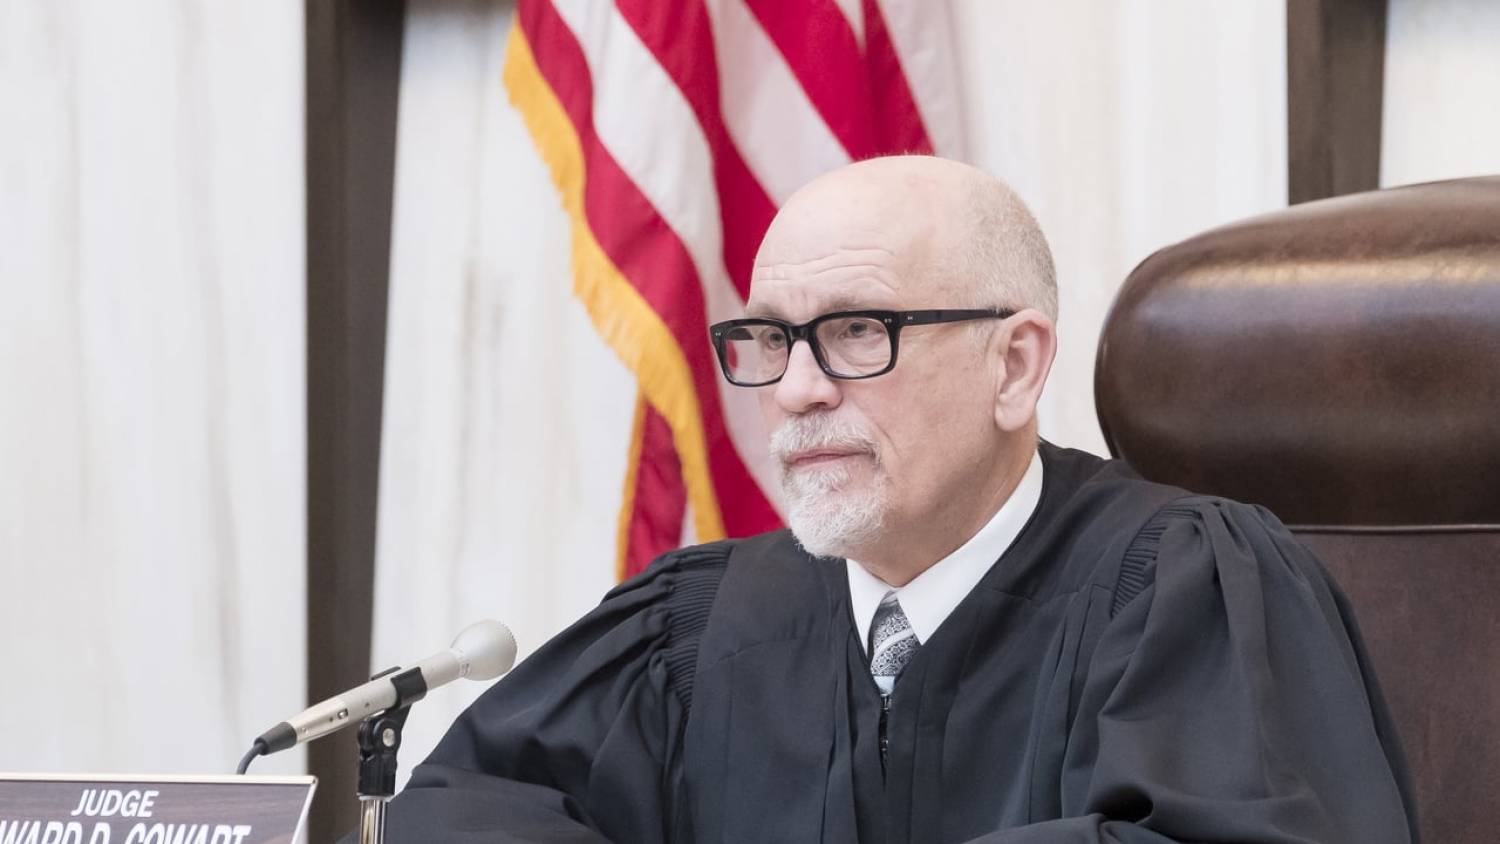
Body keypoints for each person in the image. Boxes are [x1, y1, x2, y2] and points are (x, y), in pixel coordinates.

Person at [375, 156, 1417, 842]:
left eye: (855, 332)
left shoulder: (1179, 588)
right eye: (770, 338)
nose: (796, 388)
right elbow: (462, 810)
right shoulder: (697, 627)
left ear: (1014, 366)